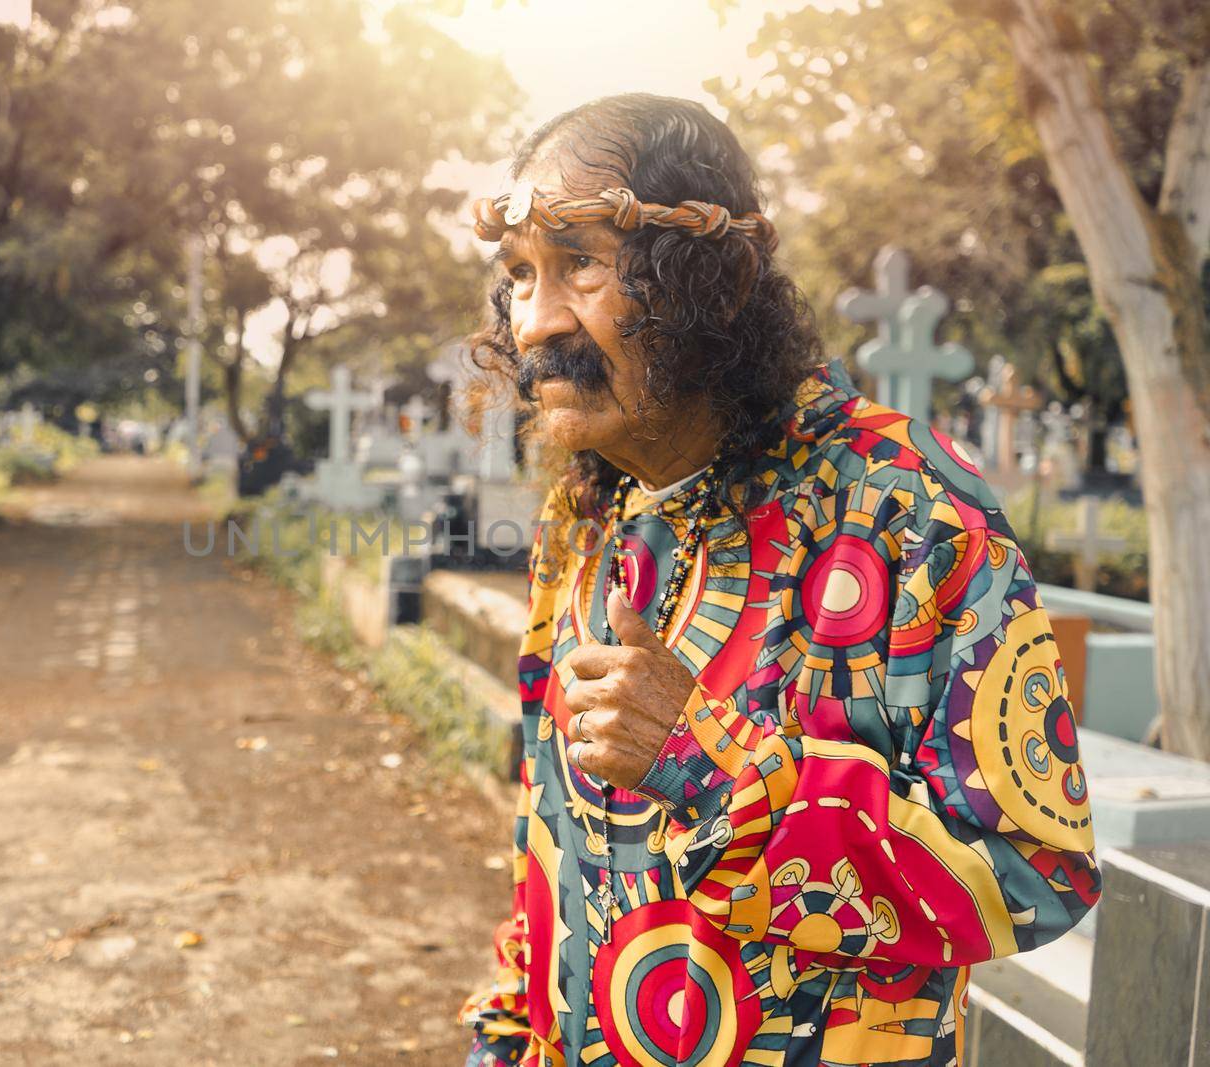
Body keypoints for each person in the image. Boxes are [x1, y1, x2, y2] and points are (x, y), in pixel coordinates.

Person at [457, 94, 1100, 1067]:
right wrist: (503, 1035)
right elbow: (545, 830)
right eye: (517, 275)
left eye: (579, 260)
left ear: (718, 281)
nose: (535, 319)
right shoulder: (584, 510)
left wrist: (710, 765)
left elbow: (1036, 871)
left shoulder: (907, 509)